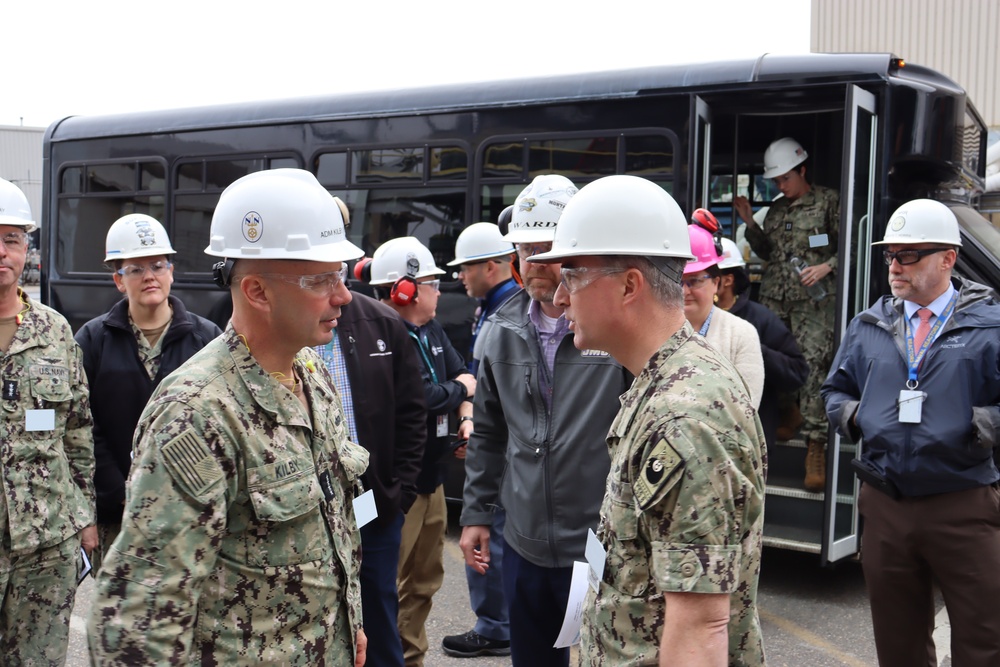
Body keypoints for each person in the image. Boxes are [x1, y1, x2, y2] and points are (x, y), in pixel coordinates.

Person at [88, 168, 371, 666]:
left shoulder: (308, 370)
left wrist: (349, 622)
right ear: (258, 292)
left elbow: (331, 523)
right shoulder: (196, 413)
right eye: (320, 279)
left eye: (340, 275)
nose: (343, 295)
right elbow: (139, 622)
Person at [530, 174, 766, 666]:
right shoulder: (663, 383)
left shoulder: (686, 415)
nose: (558, 298)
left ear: (630, 285)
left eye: (571, 276)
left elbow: (701, 630)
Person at [459, 174, 632, 667]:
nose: (533, 262)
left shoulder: (611, 328)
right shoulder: (500, 331)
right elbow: (489, 433)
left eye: (546, 247)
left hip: (599, 541)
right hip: (524, 542)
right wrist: (475, 514)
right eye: (525, 247)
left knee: (609, 655)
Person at [822, 199, 1000, 667]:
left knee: (984, 641)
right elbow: (833, 392)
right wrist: (860, 419)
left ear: (948, 259)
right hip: (886, 505)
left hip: (962, 501)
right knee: (897, 646)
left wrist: (981, 426)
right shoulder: (868, 326)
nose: (894, 266)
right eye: (889, 255)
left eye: (908, 255)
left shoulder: (990, 325)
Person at [75, 214, 221, 573]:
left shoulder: (206, 340)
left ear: (171, 271)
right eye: (135, 269)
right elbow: (81, 425)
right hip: (117, 516)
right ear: (118, 281)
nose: (149, 276)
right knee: (122, 615)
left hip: (189, 513)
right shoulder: (92, 341)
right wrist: (119, 491)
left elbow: (221, 421)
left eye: (157, 265)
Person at [314, 203, 427, 667]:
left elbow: (412, 413)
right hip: (310, 511)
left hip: (374, 507)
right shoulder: (282, 328)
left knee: (378, 615)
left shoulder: (381, 322)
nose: (338, 294)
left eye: (340, 274)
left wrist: (398, 494)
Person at [0, 176, 97, 665]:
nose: (2, 251)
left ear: (26, 248)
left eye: (11, 238)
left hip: (45, 543)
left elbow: (77, 430)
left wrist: (86, 518)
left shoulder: (54, 330)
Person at [368, 236, 475, 667]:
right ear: (405, 290)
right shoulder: (382, 336)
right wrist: (458, 392)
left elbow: (462, 375)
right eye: (432, 283)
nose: (439, 292)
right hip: (399, 486)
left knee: (426, 580)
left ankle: (411, 657)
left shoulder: (430, 331)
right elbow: (421, 397)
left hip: (433, 478)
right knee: (385, 583)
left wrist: (464, 414)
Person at [735, 136, 839, 492]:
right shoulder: (777, 210)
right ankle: (789, 413)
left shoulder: (828, 202)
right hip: (777, 298)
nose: (781, 186)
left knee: (812, 365)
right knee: (773, 360)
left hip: (814, 302)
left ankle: (815, 445)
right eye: (776, 182)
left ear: (803, 170)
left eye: (785, 179)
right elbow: (768, 252)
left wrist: (827, 266)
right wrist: (750, 222)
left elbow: (852, 248)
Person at [441, 222, 518, 658]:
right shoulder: (493, 305)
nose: (461, 277)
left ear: (493, 265)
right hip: (491, 429)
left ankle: (494, 626)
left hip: (500, 442)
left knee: (492, 528)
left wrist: (477, 419)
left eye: (467, 267)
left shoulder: (504, 309)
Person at [716, 236, 809, 449]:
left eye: (702, 277)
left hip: (747, 438)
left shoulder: (759, 319)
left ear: (727, 280)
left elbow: (797, 372)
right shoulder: (688, 318)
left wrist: (753, 349)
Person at [682, 217, 764, 409]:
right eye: (677, 281)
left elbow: (745, 409)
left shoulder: (741, 334)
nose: (685, 291)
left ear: (716, 283)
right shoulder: (653, 330)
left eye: (694, 281)